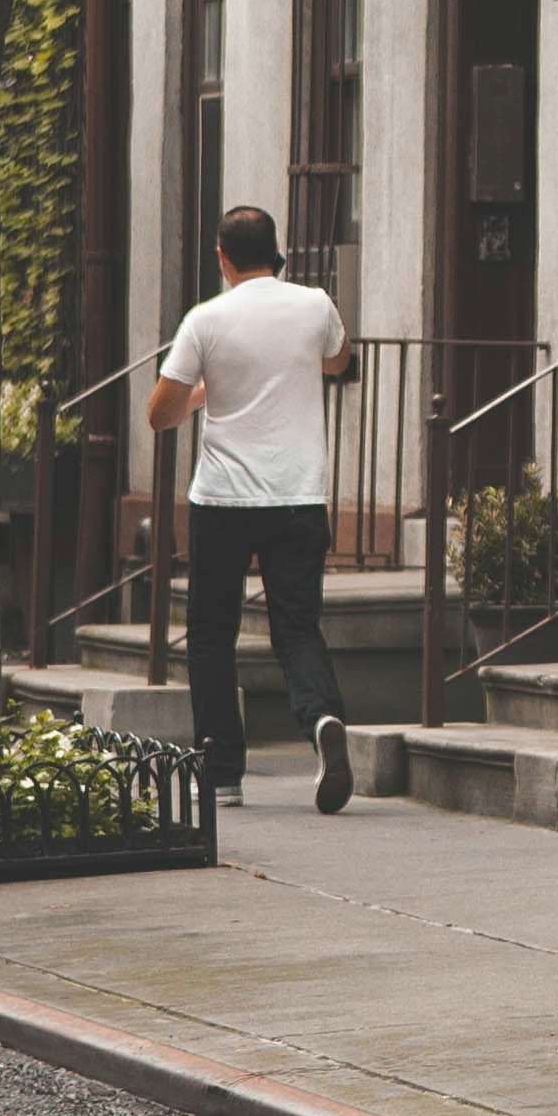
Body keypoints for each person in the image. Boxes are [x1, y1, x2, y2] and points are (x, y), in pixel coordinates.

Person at [149, 204, 357, 815]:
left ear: (222, 257)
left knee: (212, 634)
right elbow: (340, 361)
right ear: (278, 252)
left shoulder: (205, 320)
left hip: (224, 500)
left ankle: (221, 775)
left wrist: (209, 390)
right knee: (297, 626)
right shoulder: (314, 305)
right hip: (298, 494)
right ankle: (322, 721)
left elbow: (160, 413)